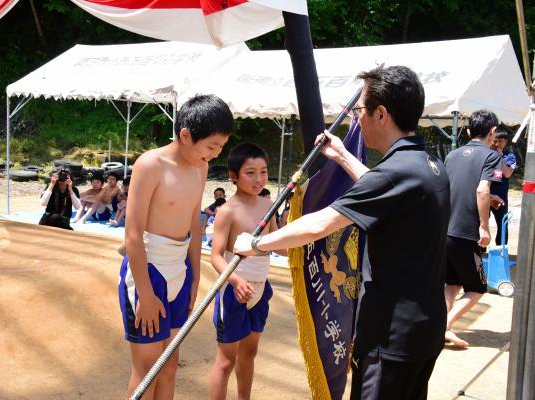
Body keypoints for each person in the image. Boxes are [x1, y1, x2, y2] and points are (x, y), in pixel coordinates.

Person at [233, 66, 450, 400]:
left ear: (381, 113)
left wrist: (257, 243)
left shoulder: (393, 175)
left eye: (361, 110)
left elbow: (319, 225)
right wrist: (342, 156)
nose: (357, 119)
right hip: (425, 328)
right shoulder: (429, 166)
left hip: (389, 336)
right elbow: (381, 189)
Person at [118, 94, 234, 399]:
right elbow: (132, 234)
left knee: (169, 367)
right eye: (211, 146)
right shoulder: (151, 164)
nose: (215, 155)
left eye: (220, 147)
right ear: (185, 135)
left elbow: (195, 227)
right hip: (148, 272)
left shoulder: (200, 167)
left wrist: (194, 279)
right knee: (147, 371)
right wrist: (144, 292)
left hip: (179, 273)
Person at [208, 143, 283, 400]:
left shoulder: (268, 206)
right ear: (233, 176)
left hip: (260, 289)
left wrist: (304, 248)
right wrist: (237, 280)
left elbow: (278, 245)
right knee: (226, 360)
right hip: (233, 291)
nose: (259, 178)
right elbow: (215, 256)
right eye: (250, 172)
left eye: (263, 171)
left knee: (249, 354)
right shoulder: (227, 211)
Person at [444, 110, 503, 347]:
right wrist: (484, 227)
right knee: (478, 287)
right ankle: (442, 327)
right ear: (492, 133)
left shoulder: (452, 155)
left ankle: (440, 327)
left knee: (452, 283)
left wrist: (488, 200)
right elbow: (481, 189)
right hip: (467, 232)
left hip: (445, 230)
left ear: (468, 131)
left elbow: (454, 189)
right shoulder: (492, 156)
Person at [489, 128, 517, 245]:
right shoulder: (486, 155)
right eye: (494, 141)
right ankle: (480, 250)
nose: (496, 144)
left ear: (505, 141)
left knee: (502, 225)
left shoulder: (510, 157)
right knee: (479, 223)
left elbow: (507, 173)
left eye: (500, 141)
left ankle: (501, 249)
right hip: (486, 196)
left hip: (501, 198)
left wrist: (500, 157)